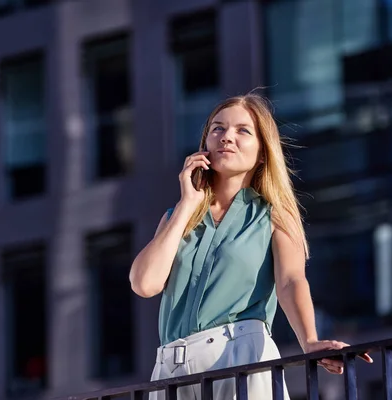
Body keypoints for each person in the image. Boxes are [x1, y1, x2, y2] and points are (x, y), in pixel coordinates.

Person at [129, 93, 373, 400]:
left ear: (262, 152)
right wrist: (186, 204)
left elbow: (290, 280)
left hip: (239, 356)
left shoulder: (273, 213)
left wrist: (310, 341)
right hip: (170, 371)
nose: (227, 137)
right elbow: (144, 283)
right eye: (217, 128)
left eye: (243, 131)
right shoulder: (177, 217)